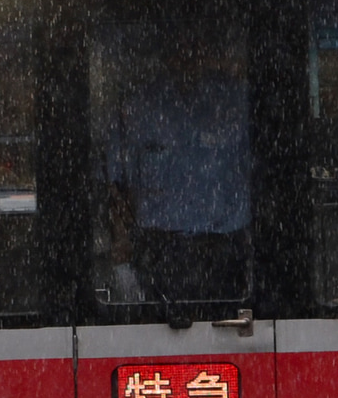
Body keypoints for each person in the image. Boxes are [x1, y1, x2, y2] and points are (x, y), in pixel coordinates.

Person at [105, 29, 251, 309]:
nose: (188, 54)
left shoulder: (237, 100)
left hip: (226, 249)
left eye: (196, 45)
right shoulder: (136, 105)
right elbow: (112, 186)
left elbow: (264, 175)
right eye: (179, 46)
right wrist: (121, 251)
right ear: (166, 54)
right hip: (160, 252)